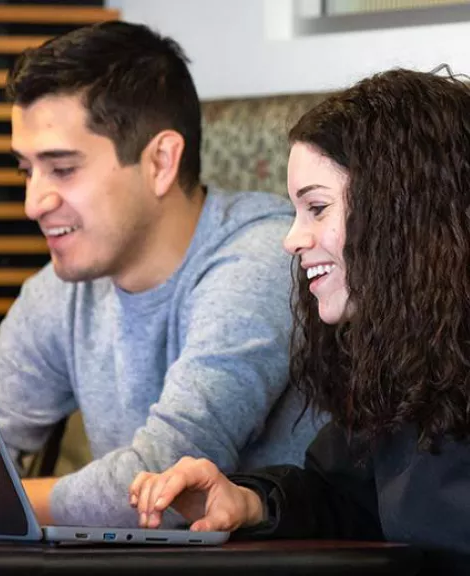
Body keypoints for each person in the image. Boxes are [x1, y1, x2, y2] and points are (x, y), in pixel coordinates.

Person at [0, 21, 322, 528]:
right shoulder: (64, 287)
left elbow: (161, 484)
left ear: (161, 161)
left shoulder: (264, 259)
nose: (33, 204)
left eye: (63, 168)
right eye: (26, 170)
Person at [130, 68, 470, 569]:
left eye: (316, 207)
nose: (291, 239)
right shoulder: (404, 355)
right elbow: (342, 497)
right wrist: (250, 503)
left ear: (404, 211)